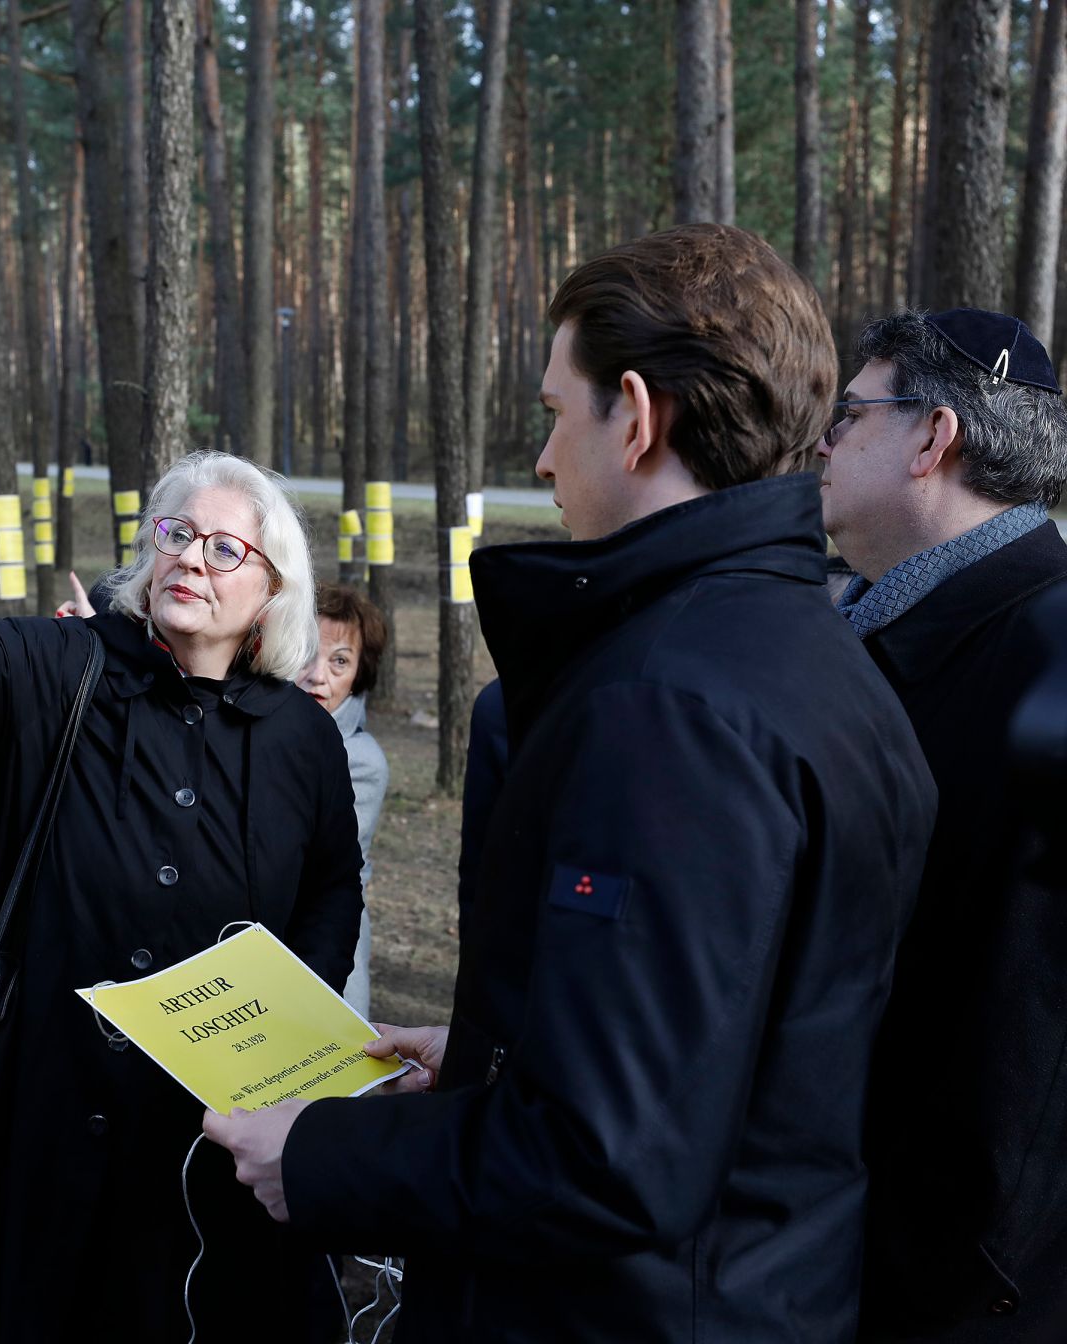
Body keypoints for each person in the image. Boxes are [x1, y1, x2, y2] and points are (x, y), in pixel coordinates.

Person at [203, 224, 938, 1341]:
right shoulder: (812, 657)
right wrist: (509, 1050)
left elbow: (608, 1158)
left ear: (635, 418)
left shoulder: (669, 706)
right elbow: (743, 1036)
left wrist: (313, 1152)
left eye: (554, 412)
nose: (543, 460)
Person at [0, 429, 362, 1343]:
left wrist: (286, 1035)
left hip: (213, 1144)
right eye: (176, 533)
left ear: (271, 591)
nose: (192, 558)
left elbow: (333, 888)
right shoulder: (64, 670)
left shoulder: (299, 737)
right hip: (40, 1122)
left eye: (226, 548)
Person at [818, 308, 1067, 1341]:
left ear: (930, 439)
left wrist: (959, 1271)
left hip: (956, 1282)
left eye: (848, 414)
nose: (822, 440)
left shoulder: (1041, 659)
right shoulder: (889, 631)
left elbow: (1024, 1029)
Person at [295, 584, 389, 1019]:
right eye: (307, 650)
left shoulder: (360, 761)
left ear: (358, 677)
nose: (318, 675)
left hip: (319, 953)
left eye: (339, 662)